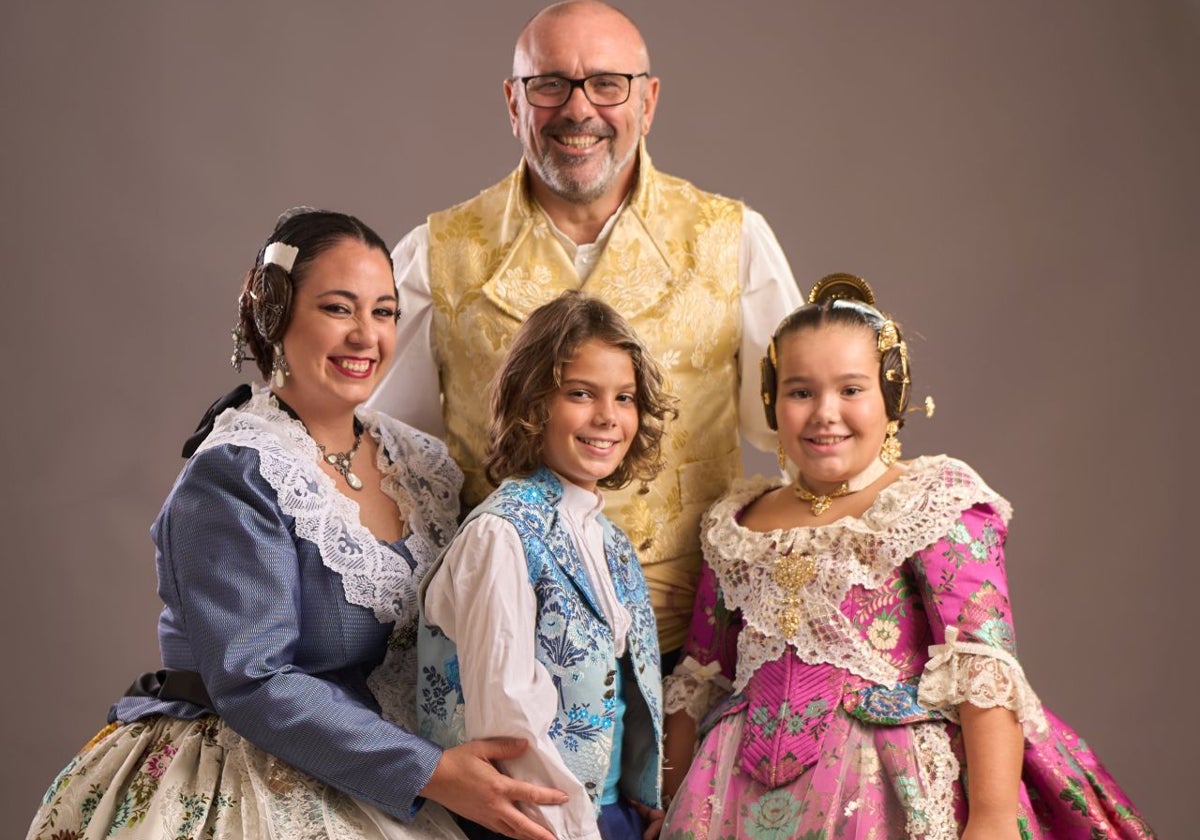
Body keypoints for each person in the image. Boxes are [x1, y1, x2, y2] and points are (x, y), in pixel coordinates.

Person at [26, 209, 569, 840]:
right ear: (275, 317)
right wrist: (431, 772)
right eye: (338, 308)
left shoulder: (422, 463)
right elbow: (254, 680)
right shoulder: (238, 473)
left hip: (396, 766)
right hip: (249, 768)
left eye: (384, 311)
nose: (366, 335)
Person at [371, 0, 802, 666]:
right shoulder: (437, 255)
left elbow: (804, 434)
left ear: (648, 101)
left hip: (695, 656)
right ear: (514, 103)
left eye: (608, 83)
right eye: (550, 85)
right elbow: (389, 463)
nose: (579, 110)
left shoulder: (731, 241)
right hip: (502, 653)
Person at [659, 275, 1156, 839]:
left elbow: (982, 668)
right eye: (801, 392)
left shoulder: (930, 503)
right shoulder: (736, 523)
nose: (825, 413)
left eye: (851, 390)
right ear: (773, 402)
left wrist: (992, 818)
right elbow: (701, 677)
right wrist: (671, 802)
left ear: (891, 399)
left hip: (885, 791)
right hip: (729, 796)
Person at [418, 291, 675, 840]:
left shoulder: (611, 541)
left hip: (610, 819)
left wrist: (638, 798)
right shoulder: (501, 535)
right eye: (581, 394)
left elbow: (622, 694)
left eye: (624, 397)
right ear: (533, 405)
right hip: (530, 825)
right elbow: (507, 725)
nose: (608, 417)